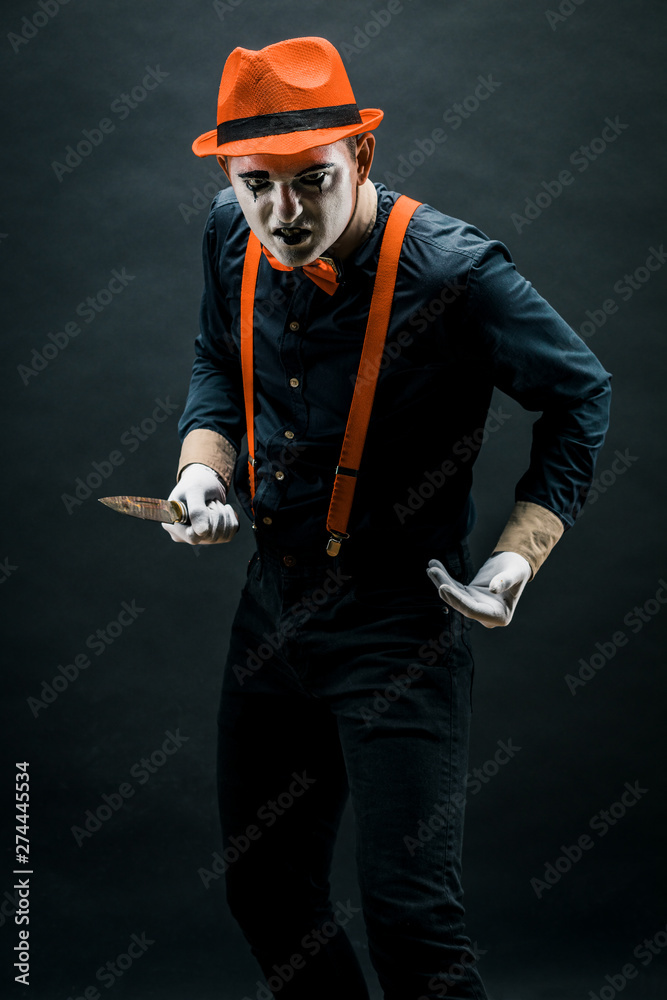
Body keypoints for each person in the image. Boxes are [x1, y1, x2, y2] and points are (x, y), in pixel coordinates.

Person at [163, 36, 611, 1000]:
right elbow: (216, 357)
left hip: (400, 628)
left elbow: (581, 394)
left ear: (360, 160)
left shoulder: (455, 272)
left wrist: (517, 556)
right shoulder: (225, 232)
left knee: (413, 925)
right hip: (271, 613)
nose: (281, 215)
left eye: (310, 182)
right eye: (257, 185)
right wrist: (204, 470)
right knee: (265, 889)